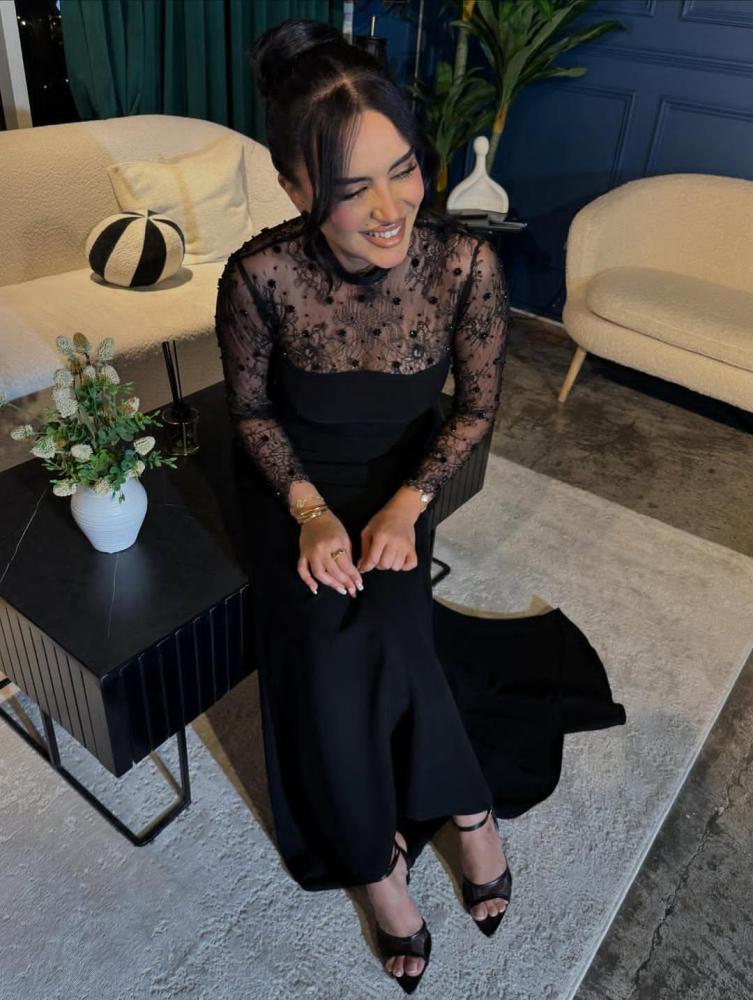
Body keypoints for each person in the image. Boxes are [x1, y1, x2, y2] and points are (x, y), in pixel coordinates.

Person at [214, 17, 626, 994]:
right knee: (325, 644)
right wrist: (310, 513)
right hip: (291, 486)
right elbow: (252, 413)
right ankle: (378, 865)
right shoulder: (260, 277)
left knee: (393, 624)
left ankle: (466, 812)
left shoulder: (465, 265)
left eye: (402, 170)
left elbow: (474, 408)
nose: (389, 207)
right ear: (295, 189)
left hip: (402, 477)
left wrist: (406, 505)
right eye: (350, 186)